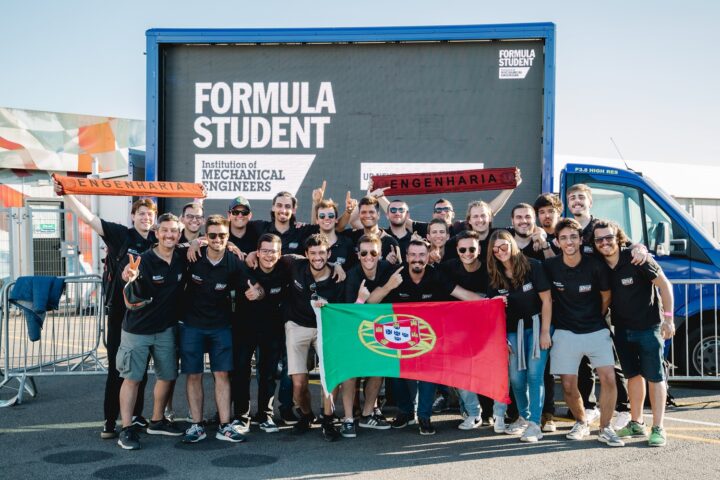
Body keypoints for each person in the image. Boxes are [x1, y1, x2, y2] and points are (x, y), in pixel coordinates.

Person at [54, 178, 154, 439]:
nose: (146, 217)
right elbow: (88, 218)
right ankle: (110, 421)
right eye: (141, 213)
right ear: (133, 216)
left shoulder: (158, 239)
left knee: (140, 371)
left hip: (145, 315)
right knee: (117, 369)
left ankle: (135, 417)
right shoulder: (121, 234)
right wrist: (66, 194)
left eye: (150, 214)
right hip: (121, 314)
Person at [367, 238, 483, 435]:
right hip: (400, 335)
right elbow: (371, 302)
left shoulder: (436, 275)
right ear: (406, 257)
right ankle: (405, 413)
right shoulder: (395, 274)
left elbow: (462, 294)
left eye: (421, 255)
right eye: (413, 255)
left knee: (429, 374)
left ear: (428, 257)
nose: (417, 259)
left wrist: (491, 303)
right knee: (396, 373)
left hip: (429, 336)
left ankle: (424, 416)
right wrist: (388, 287)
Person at [592, 220, 675, 447]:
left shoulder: (637, 258)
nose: (604, 242)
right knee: (633, 376)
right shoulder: (599, 264)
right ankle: (637, 422)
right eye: (599, 239)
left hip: (649, 327)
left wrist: (668, 319)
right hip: (622, 330)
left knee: (655, 377)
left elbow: (665, 285)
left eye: (609, 237)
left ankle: (658, 427)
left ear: (618, 237)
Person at [543, 218, 624, 447]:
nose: (569, 242)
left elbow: (606, 296)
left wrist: (594, 317)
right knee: (568, 385)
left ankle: (606, 428)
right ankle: (581, 422)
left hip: (596, 329)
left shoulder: (595, 265)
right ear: (557, 242)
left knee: (608, 378)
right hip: (565, 332)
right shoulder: (550, 266)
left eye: (573, 237)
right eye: (563, 238)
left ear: (580, 240)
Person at [180, 215, 260, 444]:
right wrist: (193, 242)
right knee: (194, 375)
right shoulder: (192, 256)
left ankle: (225, 426)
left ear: (228, 236)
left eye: (222, 235)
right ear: (206, 236)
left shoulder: (234, 261)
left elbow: (253, 285)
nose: (217, 239)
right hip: (192, 326)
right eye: (212, 235)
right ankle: (196, 425)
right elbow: (169, 247)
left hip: (221, 326)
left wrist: (258, 292)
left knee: (222, 374)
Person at [116, 213, 186, 450]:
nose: (169, 235)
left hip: (165, 329)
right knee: (132, 379)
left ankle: (157, 421)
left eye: (174, 231)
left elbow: (204, 243)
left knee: (167, 376)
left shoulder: (181, 257)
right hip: (137, 330)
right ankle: (126, 429)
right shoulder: (143, 260)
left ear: (179, 234)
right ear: (157, 233)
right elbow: (128, 275)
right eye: (164, 230)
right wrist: (129, 275)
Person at [487, 230, 552, 442]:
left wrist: (545, 332)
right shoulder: (495, 275)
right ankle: (524, 416)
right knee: (516, 378)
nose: (500, 252)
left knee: (534, 375)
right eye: (495, 249)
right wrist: (496, 305)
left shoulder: (533, 265)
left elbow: (547, 300)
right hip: (512, 330)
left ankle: (535, 424)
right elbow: (491, 312)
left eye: (503, 246)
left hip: (537, 325)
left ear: (512, 245)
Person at [284, 234, 346, 441]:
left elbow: (343, 310)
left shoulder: (338, 277)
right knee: (298, 383)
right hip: (297, 324)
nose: (317, 257)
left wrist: (328, 307)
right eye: (313, 253)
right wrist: (252, 254)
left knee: (330, 376)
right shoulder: (295, 264)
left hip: (325, 327)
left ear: (329, 253)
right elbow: (271, 256)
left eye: (322, 253)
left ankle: (328, 419)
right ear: (306, 254)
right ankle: (306, 415)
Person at [231, 233, 290, 434]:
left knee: (268, 374)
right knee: (241, 372)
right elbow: (257, 289)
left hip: (272, 329)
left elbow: (306, 258)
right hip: (244, 328)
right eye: (264, 251)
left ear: (280, 254)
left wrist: (336, 266)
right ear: (257, 252)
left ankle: (265, 415)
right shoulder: (245, 267)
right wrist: (257, 293)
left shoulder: (285, 268)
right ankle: (241, 417)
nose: (268, 255)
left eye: (273, 251)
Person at [439, 230, 495, 428]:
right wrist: (480, 300)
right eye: (463, 250)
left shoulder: (490, 268)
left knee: (487, 370)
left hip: (486, 327)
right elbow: (463, 295)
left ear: (479, 249)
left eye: (472, 249)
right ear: (457, 250)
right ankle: (473, 412)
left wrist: (476, 300)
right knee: (460, 369)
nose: (467, 253)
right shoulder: (448, 268)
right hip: (458, 329)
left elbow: (493, 301)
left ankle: (490, 412)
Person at [343, 234, 397, 434]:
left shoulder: (387, 268)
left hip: (380, 329)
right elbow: (352, 312)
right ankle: (348, 418)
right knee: (350, 373)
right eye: (364, 253)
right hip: (354, 328)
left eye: (373, 253)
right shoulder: (353, 275)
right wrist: (365, 298)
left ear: (380, 254)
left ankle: (367, 414)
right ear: (358, 255)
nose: (368, 257)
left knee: (378, 369)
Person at [533, 193, 563, 433]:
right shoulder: (532, 235)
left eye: (550, 211)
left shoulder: (566, 235)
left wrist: (545, 244)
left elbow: (560, 269)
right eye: (541, 212)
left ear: (558, 212)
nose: (546, 216)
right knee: (542, 367)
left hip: (565, 309)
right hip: (540, 309)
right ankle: (543, 413)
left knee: (565, 366)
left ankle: (582, 408)